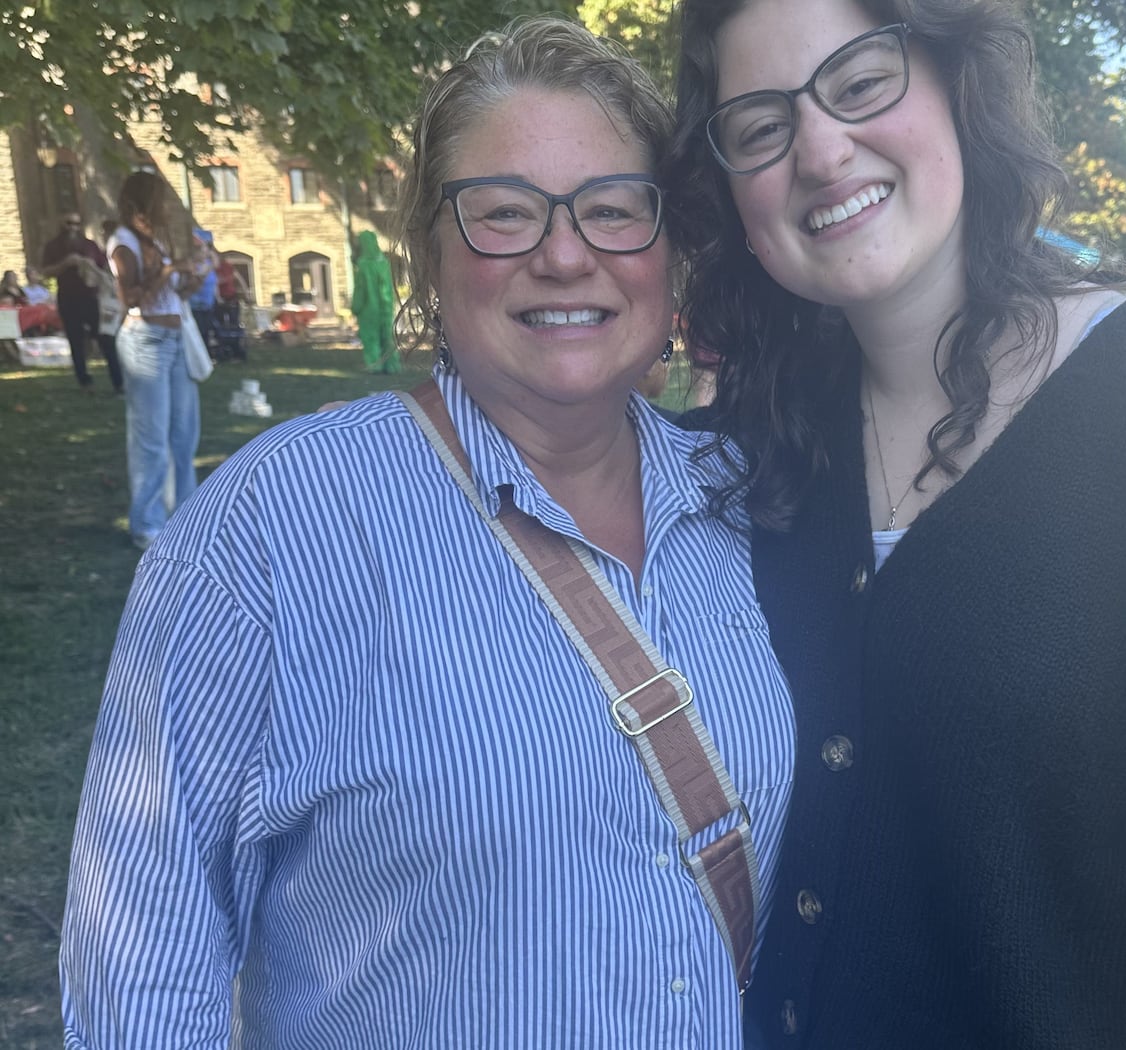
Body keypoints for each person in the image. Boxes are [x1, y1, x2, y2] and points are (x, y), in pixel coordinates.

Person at [666, 1, 1126, 1047]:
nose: (820, 150)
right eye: (758, 128)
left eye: (861, 81)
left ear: (955, 82)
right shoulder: (756, 442)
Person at [61, 17, 793, 1048]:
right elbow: (144, 960)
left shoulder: (742, 504)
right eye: (502, 214)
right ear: (432, 257)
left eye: (613, 209)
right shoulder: (277, 528)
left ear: (669, 252)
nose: (564, 253)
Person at [106, 172, 201, 549]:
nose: (164, 207)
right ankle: (147, 525)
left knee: (184, 435)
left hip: (175, 339)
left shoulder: (154, 241)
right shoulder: (123, 242)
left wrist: (192, 277)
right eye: (159, 199)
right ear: (142, 202)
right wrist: (168, 270)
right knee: (151, 439)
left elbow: (172, 295)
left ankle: (187, 519)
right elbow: (131, 298)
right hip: (145, 342)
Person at [41, 213, 124, 392]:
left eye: (77, 224)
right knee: (76, 341)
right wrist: (65, 264)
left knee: (106, 339)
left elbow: (105, 268)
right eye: (69, 223)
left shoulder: (89, 245)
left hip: (92, 299)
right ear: (62, 224)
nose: (73, 227)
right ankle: (85, 382)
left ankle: (118, 382)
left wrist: (92, 268)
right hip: (68, 299)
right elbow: (46, 272)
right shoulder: (53, 246)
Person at [350, 228, 401, 372]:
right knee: (387, 336)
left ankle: (375, 365)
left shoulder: (363, 265)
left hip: (368, 309)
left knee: (371, 337)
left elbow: (361, 289)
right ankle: (391, 365)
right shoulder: (384, 263)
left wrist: (356, 307)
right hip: (385, 307)